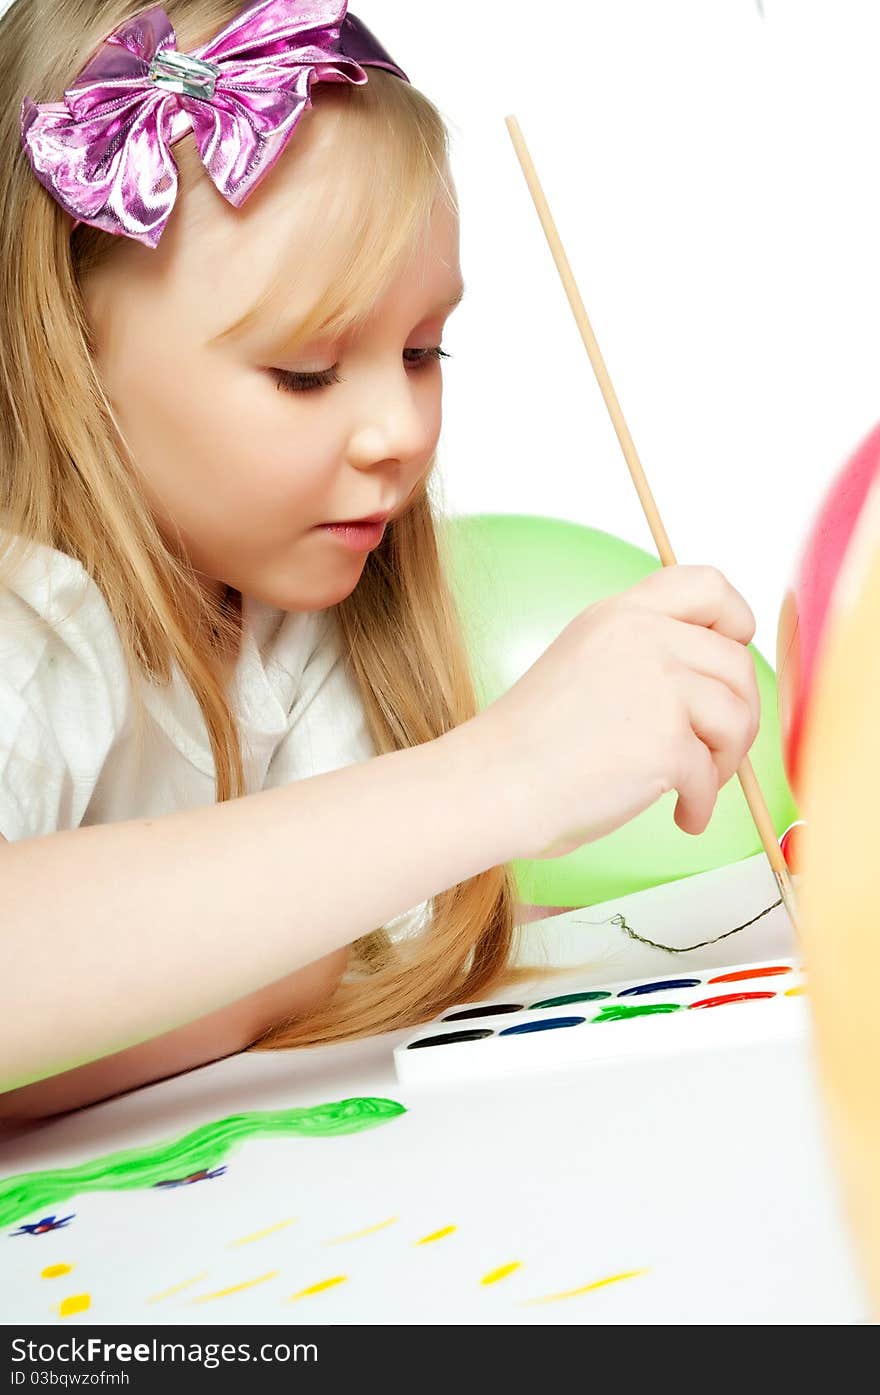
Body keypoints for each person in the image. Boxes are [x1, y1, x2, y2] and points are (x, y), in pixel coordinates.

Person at [0, 0, 760, 1118]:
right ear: (59, 345)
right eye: (306, 370)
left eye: (422, 351)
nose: (400, 429)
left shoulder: (294, 621)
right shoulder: (30, 618)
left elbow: (349, 969)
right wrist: (500, 775)